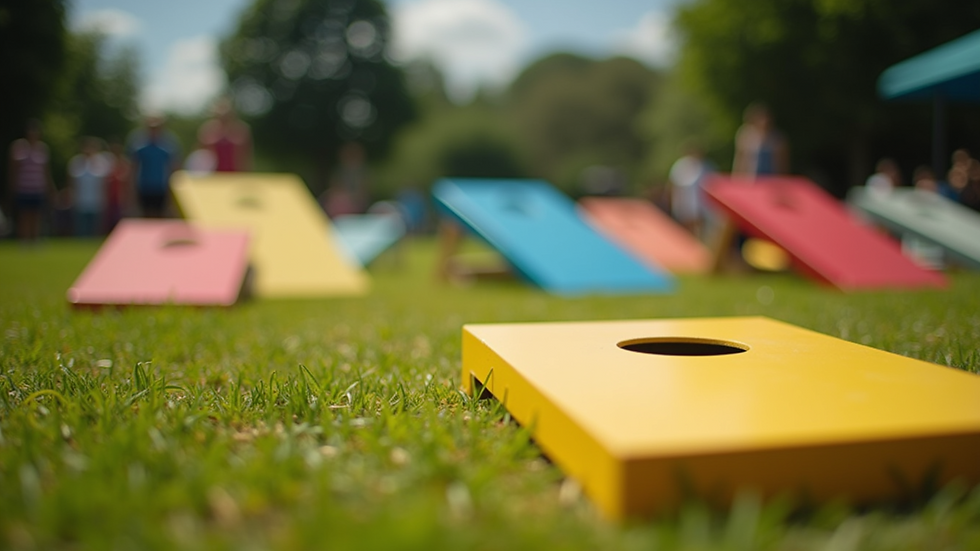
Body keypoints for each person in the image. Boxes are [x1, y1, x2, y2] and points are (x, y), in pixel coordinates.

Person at [7, 119, 55, 242]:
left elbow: (46, 172)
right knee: (24, 215)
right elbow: (13, 170)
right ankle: (24, 240)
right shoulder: (19, 147)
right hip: (23, 188)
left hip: (38, 187)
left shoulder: (42, 149)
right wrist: (12, 186)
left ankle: (35, 240)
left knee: (36, 215)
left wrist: (51, 188)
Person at [128, 116, 181, 218]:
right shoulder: (139, 145)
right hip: (144, 187)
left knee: (161, 217)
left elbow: (174, 168)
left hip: (162, 187)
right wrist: (131, 193)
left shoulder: (168, 146)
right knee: (145, 216)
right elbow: (133, 168)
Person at [67, 137, 112, 237]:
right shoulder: (76, 162)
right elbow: (71, 182)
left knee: (95, 229)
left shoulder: (102, 163)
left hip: (97, 200)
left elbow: (105, 183)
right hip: (80, 200)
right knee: (81, 228)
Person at [668, 140, 713, 236]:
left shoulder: (707, 166)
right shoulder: (680, 166)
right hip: (685, 207)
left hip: (703, 208)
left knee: (702, 232)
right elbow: (674, 187)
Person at [732, 103, 788, 177]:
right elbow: (739, 160)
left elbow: (782, 164)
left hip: (771, 179)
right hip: (750, 180)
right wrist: (736, 178)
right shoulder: (745, 135)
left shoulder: (777, 138)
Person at [197, 97, 252, 172]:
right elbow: (201, 155)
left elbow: (247, 157)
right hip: (213, 175)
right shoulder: (208, 130)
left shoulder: (241, 130)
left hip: (236, 174)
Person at [104, 139, 131, 232]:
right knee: (109, 219)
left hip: (122, 197)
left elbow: (127, 179)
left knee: (121, 218)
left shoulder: (124, 163)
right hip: (110, 197)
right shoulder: (107, 163)